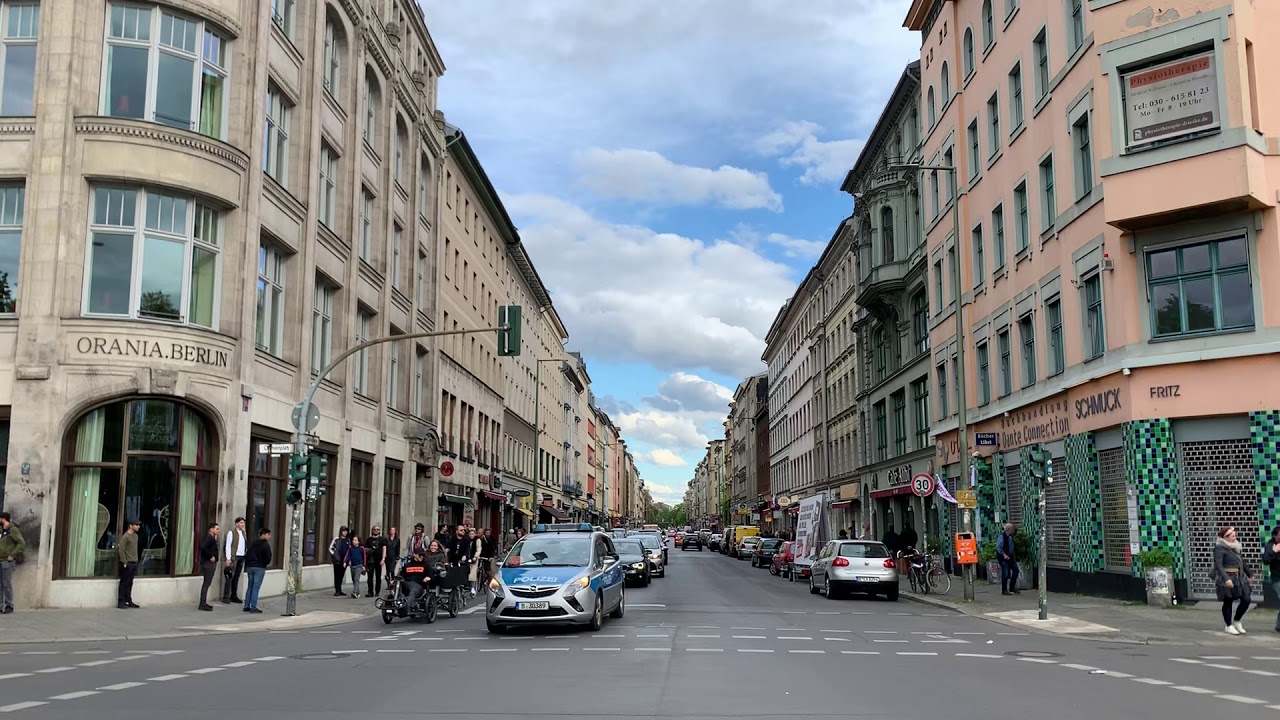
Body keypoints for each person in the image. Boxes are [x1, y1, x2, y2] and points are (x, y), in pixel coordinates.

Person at [1215, 526, 1252, 635]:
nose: (1234, 537)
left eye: (1235, 535)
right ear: (1225, 537)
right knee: (1228, 601)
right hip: (1227, 577)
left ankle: (1237, 620)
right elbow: (1219, 565)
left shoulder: (1236, 546)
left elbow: (1242, 561)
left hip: (1239, 577)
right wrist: (1226, 579)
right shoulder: (1219, 548)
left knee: (1246, 599)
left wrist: (1250, 574)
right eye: (1232, 535)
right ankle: (1228, 625)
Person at [0, 512, 25, 614]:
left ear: (3, 519)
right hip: (0, 559)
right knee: (0, 584)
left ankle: (9, 605)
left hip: (7, 560)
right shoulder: (2, 531)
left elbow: (21, 543)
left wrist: (13, 554)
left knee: (6, 584)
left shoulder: (12, 530)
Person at [243, 527, 272, 613]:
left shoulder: (252, 543)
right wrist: (264, 563)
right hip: (259, 567)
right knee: (256, 587)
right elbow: (268, 557)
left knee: (250, 586)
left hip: (250, 566)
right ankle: (253, 606)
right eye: (268, 535)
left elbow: (247, 554)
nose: (269, 536)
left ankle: (247, 605)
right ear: (264, 535)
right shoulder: (265, 545)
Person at [222, 516, 247, 605]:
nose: (242, 524)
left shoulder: (243, 533)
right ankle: (226, 596)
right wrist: (228, 558)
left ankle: (234, 595)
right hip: (234, 557)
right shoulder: (231, 533)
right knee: (230, 577)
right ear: (236, 524)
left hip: (241, 556)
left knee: (236, 577)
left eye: (243, 523)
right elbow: (228, 545)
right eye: (241, 523)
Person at [116, 519, 140, 609]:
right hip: (127, 563)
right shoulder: (125, 537)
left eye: (138, 525)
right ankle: (121, 601)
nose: (138, 527)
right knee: (124, 582)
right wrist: (124, 562)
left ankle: (128, 600)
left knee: (130, 583)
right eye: (136, 525)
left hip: (134, 562)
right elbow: (121, 550)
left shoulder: (136, 536)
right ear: (131, 526)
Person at [198, 523, 220, 611]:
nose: (218, 531)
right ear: (211, 529)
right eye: (216, 529)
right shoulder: (209, 538)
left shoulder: (212, 539)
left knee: (207, 583)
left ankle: (203, 602)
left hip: (209, 563)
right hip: (208, 564)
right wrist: (210, 556)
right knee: (206, 584)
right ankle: (202, 603)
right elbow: (202, 547)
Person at [1262, 527, 1280, 633]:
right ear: (1276, 536)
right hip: (1277, 578)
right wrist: (1275, 551)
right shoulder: (1270, 545)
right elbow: (1265, 560)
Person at [997, 523, 1020, 595]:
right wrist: (1004, 555)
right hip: (1003, 558)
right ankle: (1004, 590)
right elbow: (998, 547)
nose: (1013, 530)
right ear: (1009, 529)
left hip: (1011, 557)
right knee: (1005, 573)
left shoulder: (1010, 536)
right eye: (1012, 529)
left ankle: (1012, 587)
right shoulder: (1002, 536)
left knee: (1016, 571)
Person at [366, 525, 387, 598]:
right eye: (374, 529)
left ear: (379, 531)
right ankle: (370, 592)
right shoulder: (369, 540)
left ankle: (377, 591)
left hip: (379, 560)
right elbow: (365, 550)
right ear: (372, 530)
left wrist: (383, 559)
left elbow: (384, 549)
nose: (376, 530)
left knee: (378, 576)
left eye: (377, 529)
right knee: (370, 577)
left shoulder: (382, 539)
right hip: (370, 560)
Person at [328, 526, 350, 596]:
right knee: (337, 575)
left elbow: (349, 550)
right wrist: (335, 555)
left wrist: (348, 559)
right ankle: (337, 590)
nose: (345, 532)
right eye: (344, 531)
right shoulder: (337, 539)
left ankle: (340, 589)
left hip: (344, 561)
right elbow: (331, 548)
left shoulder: (348, 540)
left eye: (346, 531)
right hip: (337, 560)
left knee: (341, 575)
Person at [466, 528, 482, 593]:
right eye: (470, 534)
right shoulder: (466, 540)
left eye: (472, 534)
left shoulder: (477, 540)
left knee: (472, 573)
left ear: (475, 534)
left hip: (474, 558)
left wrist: (475, 556)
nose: (471, 535)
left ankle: (473, 587)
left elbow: (479, 549)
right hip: (467, 558)